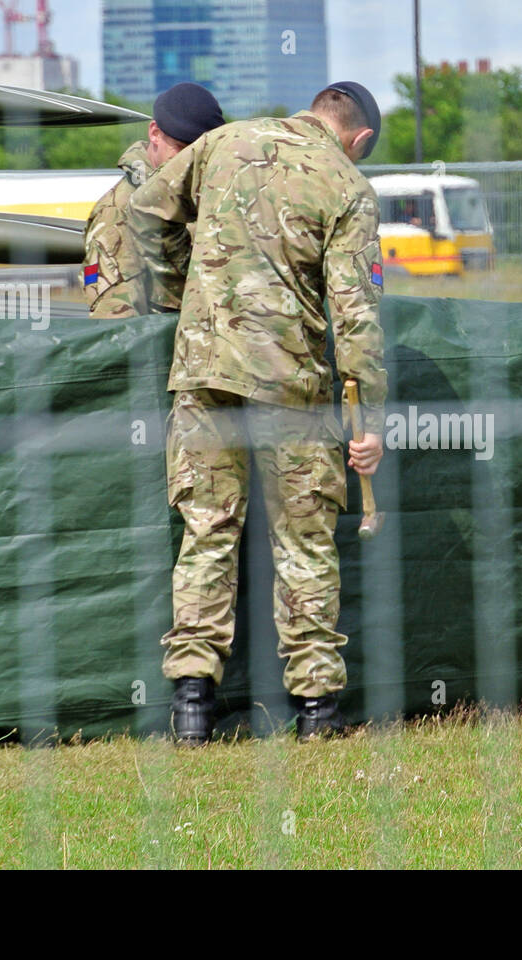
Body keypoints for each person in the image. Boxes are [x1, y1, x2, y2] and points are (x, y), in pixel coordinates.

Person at [128, 81, 388, 744]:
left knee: (207, 531)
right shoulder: (346, 184)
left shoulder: (222, 142)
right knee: (303, 542)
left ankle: (191, 705)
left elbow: (147, 211)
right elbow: (355, 315)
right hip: (290, 384)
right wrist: (370, 420)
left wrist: (183, 292)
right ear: (357, 139)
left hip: (205, 367)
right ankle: (317, 710)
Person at [83, 82, 223, 319]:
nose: (190, 162)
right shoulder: (118, 211)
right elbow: (115, 323)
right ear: (155, 134)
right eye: (181, 148)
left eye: (199, 152)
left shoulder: (211, 200)